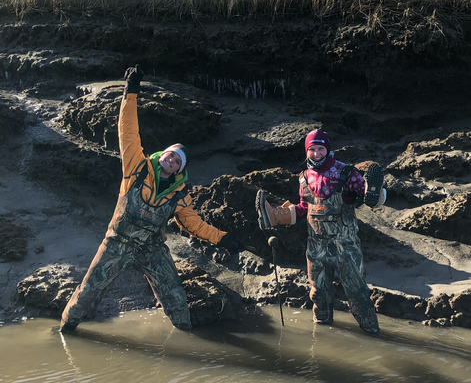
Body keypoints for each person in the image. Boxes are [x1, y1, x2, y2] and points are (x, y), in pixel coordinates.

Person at [60, 65, 245, 333]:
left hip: (151, 249)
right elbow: (127, 132)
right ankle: (66, 328)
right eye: (170, 154)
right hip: (117, 243)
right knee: (88, 290)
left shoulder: (180, 193)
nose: (171, 159)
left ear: (179, 170)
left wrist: (223, 238)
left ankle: (186, 335)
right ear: (163, 155)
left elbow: (194, 225)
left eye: (177, 160)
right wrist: (130, 92)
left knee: (176, 297)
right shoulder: (137, 166)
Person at [255, 129, 386, 334]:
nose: (316, 153)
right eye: (312, 149)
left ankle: (373, 333)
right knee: (318, 294)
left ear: (328, 149)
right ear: (307, 151)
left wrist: (371, 194)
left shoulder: (346, 172)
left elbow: (363, 197)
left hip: (346, 248)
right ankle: (322, 331)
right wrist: (277, 216)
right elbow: (303, 207)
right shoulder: (304, 177)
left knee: (357, 294)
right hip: (316, 248)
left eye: (321, 149)